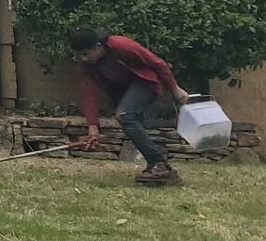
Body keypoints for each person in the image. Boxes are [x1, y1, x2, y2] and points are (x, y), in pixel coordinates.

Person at [68, 26, 195, 186]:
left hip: (143, 81)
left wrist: (175, 89)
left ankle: (160, 165)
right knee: (132, 123)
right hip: (122, 90)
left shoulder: (123, 46)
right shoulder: (85, 65)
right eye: (78, 56)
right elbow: (89, 94)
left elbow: (158, 63)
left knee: (125, 115)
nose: (83, 59)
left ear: (98, 46)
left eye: (86, 54)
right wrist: (92, 128)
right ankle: (155, 168)